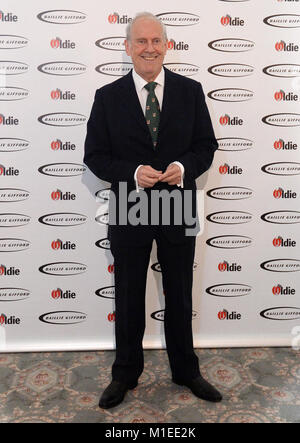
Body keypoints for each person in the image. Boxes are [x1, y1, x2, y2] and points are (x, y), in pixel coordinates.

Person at [84, 12, 221, 409]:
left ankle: (187, 371)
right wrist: (131, 172)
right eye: (140, 41)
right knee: (128, 294)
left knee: (179, 292)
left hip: (177, 200)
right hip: (129, 202)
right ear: (127, 47)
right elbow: (95, 155)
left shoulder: (191, 91)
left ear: (167, 45)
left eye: (155, 41)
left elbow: (205, 146)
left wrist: (181, 169)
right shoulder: (107, 97)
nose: (149, 48)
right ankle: (125, 374)